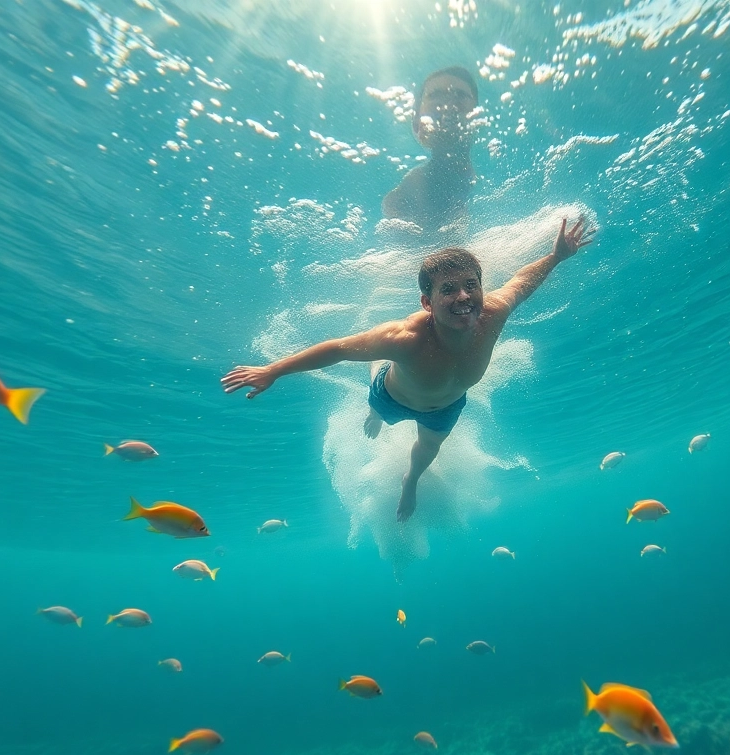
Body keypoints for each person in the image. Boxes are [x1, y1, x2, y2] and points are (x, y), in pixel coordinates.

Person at [221, 216, 597, 522]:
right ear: (427, 301)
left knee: (427, 449)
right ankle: (374, 405)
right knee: (378, 376)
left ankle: (410, 482)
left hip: (448, 406)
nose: (464, 297)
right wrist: (274, 370)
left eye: (471, 286)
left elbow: (520, 281)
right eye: (448, 289)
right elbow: (336, 349)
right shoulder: (405, 337)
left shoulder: (494, 312)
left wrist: (556, 256)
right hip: (392, 398)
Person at [381, 66, 480, 232]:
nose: (449, 105)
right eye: (435, 96)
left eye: (460, 95)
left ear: (478, 116)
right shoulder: (408, 189)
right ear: (416, 123)